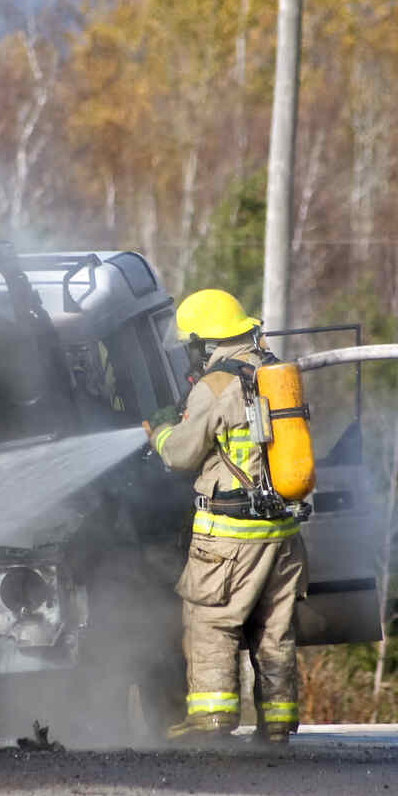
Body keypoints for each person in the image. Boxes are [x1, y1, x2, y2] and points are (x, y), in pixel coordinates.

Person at [144, 288, 308, 743]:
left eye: (190, 345)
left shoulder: (215, 386)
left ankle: (212, 723)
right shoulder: (273, 372)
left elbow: (180, 454)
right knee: (274, 631)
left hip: (229, 536)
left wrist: (159, 432)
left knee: (211, 622)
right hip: (283, 533)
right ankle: (277, 725)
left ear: (203, 342)